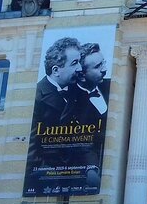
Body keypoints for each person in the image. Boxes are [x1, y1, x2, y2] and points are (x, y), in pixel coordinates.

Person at [27, 37, 82, 169]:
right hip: (48, 175)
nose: (80, 68)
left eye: (79, 62)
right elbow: (32, 150)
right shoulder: (38, 97)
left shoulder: (79, 92)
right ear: (56, 70)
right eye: (74, 63)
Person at [71, 43, 110, 187]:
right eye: (98, 66)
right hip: (88, 174)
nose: (105, 69)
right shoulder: (69, 102)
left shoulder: (112, 86)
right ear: (81, 75)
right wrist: (91, 170)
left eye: (103, 63)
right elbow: (81, 140)